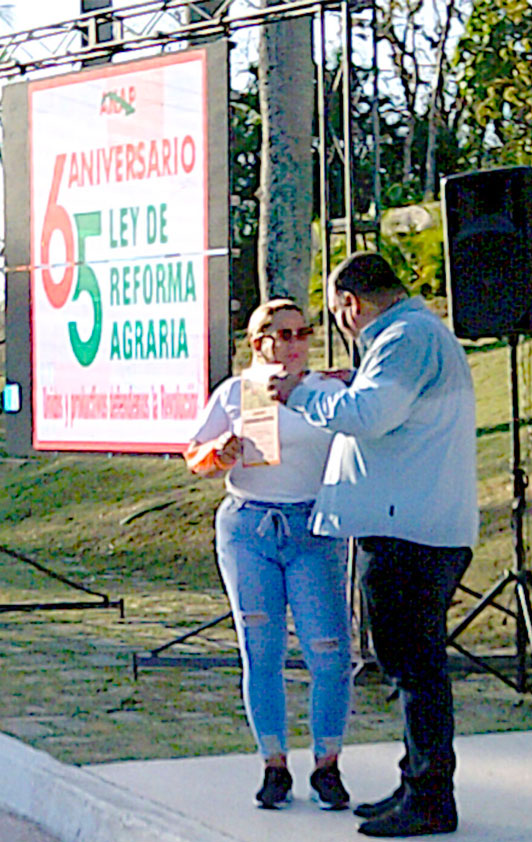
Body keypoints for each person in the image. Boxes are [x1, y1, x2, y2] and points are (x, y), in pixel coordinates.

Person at [268, 252, 478, 838]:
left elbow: (371, 414)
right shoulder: (413, 333)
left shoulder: (405, 337)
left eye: (336, 315)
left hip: (411, 532)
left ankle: (431, 796)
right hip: (411, 525)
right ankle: (417, 782)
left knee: (415, 667)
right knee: (410, 663)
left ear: (350, 306)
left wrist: (302, 393)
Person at [184, 298, 353, 811]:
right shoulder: (241, 391)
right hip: (250, 525)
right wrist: (220, 453)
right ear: (259, 342)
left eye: (304, 333)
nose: (297, 343)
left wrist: (338, 380)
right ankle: (273, 764)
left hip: (313, 526)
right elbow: (194, 452)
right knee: (262, 648)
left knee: (328, 651)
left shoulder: (328, 389)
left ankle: (327, 764)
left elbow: (375, 410)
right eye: (285, 334)